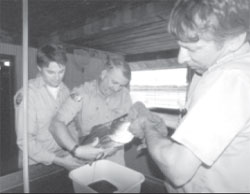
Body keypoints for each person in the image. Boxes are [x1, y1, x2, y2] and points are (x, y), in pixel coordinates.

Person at [129, 0, 250, 192]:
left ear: (234, 40)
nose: (180, 58)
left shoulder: (230, 77)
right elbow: (205, 127)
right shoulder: (218, 71)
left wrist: (148, 125)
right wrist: (157, 117)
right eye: (180, 46)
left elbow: (176, 167)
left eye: (192, 49)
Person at [14, 44, 102, 170]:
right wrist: (59, 161)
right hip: (36, 164)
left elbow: (70, 126)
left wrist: (76, 150)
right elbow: (25, 141)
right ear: (39, 68)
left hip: (64, 157)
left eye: (61, 71)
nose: (57, 77)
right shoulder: (27, 95)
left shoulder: (65, 91)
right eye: (50, 72)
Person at [50, 58, 132, 165]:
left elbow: (128, 125)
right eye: (114, 82)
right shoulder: (81, 93)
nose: (117, 89)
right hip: (88, 161)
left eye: (121, 85)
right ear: (103, 74)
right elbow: (56, 124)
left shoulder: (125, 95)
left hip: (116, 161)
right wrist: (76, 150)